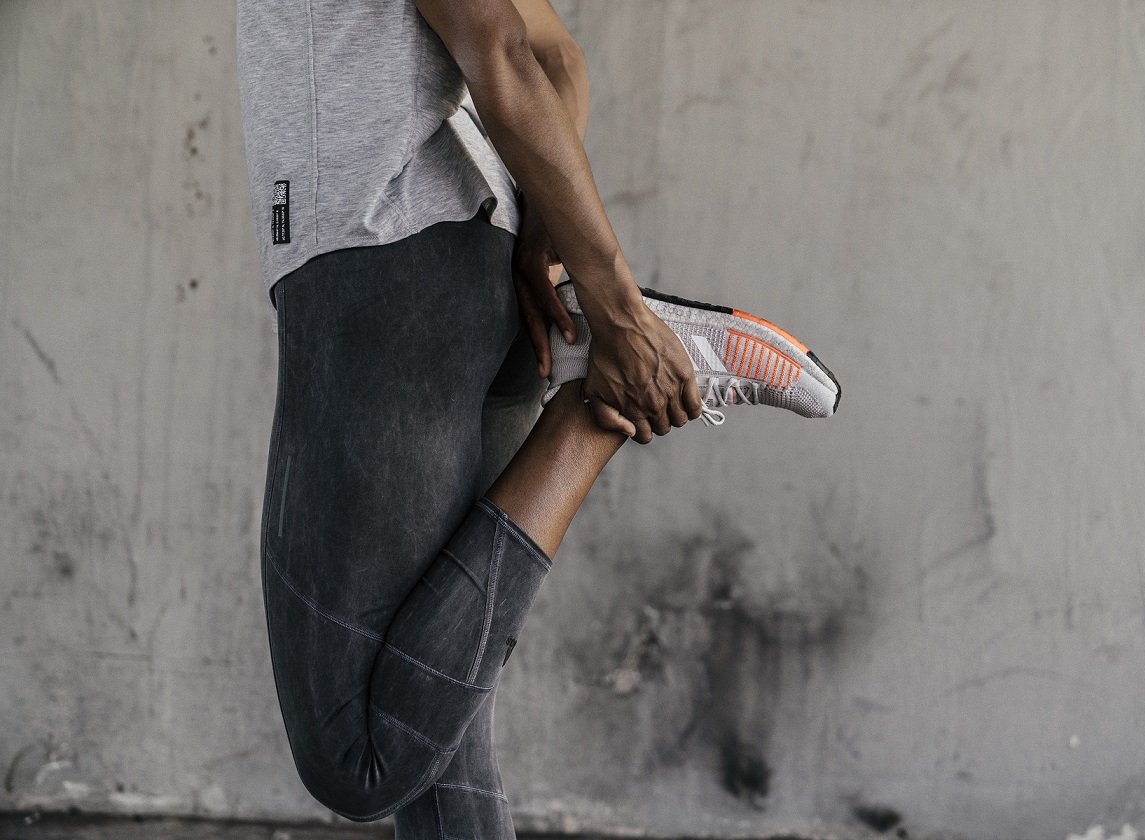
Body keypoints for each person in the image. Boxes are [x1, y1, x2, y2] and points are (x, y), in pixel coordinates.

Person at [236, 0, 839, 837]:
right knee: (439, 736)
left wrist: (616, 309)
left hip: (379, 275)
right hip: (477, 273)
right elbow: (559, 55)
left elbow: (504, 45)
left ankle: (597, 408)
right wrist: (540, 235)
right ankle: (596, 382)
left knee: (356, 752)